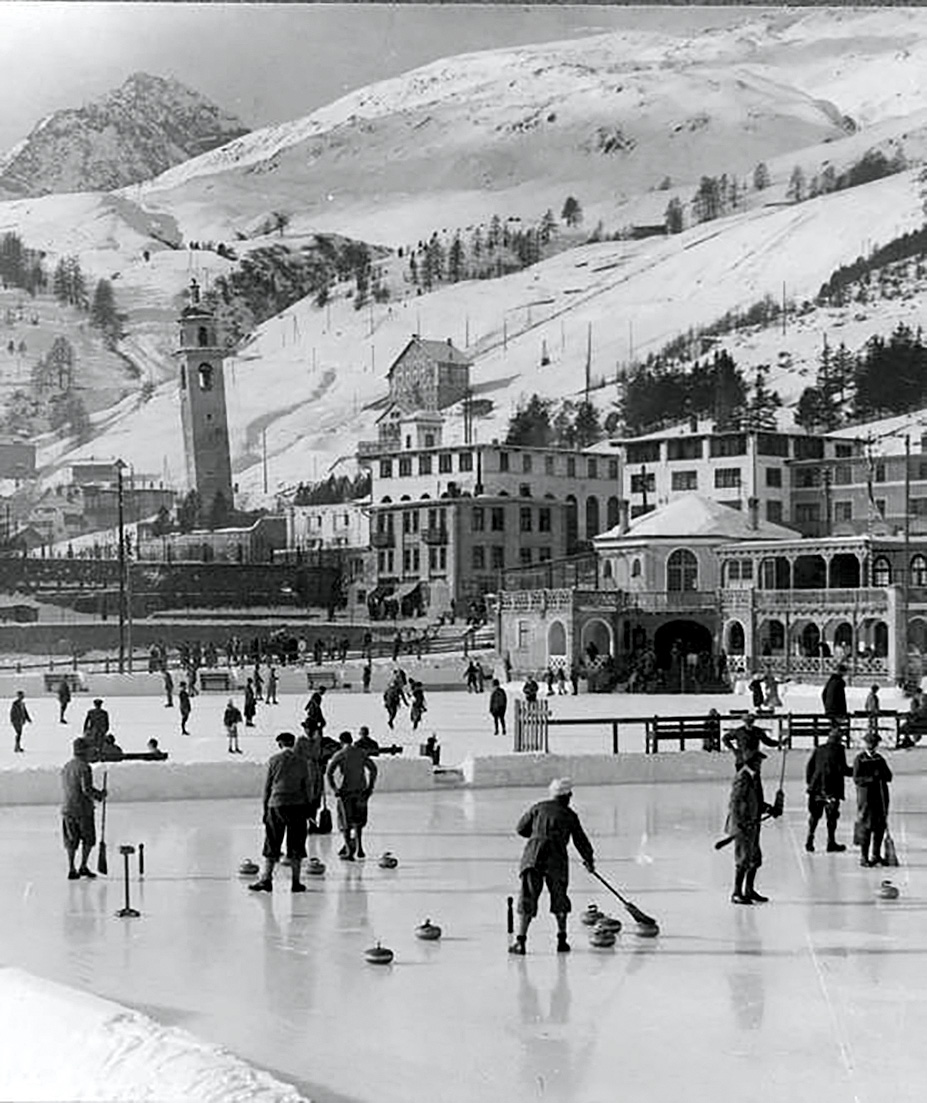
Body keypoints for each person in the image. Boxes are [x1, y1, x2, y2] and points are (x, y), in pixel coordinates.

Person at [509, 778, 595, 955]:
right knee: (559, 897)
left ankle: (520, 942)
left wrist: (537, 835)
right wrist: (589, 860)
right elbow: (580, 840)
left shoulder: (537, 808)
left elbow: (520, 829)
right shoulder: (570, 815)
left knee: (528, 898)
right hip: (556, 860)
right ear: (568, 796)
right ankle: (562, 941)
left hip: (533, 857)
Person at [249, 732, 313, 893]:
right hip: (297, 805)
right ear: (293, 743)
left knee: (272, 842)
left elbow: (268, 787)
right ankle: (296, 882)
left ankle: (267, 879)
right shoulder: (303, 761)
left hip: (276, 804)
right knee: (296, 844)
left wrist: (265, 809)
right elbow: (307, 786)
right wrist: (309, 808)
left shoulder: (274, 760)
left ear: (280, 744)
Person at [726, 747, 780, 904]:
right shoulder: (742, 777)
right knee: (743, 858)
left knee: (754, 858)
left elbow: (755, 801)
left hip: (753, 825)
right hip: (743, 825)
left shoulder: (754, 777)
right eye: (758, 761)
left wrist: (770, 809)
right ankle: (737, 893)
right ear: (750, 762)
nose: (760, 764)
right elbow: (735, 803)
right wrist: (739, 824)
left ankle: (749, 890)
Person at [325, 731, 378, 861]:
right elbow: (373, 769)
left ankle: (349, 851)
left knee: (345, 823)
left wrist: (334, 788)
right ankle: (359, 849)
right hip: (361, 791)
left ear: (341, 742)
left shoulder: (340, 754)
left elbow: (329, 773)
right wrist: (370, 786)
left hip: (345, 792)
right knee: (358, 822)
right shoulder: (361, 753)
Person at [61, 737, 106, 880]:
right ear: (84, 751)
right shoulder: (84, 767)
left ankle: (71, 868)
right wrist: (100, 795)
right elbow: (86, 789)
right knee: (88, 839)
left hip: (67, 808)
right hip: (83, 810)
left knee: (71, 841)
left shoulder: (67, 766)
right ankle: (83, 866)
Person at [805, 719, 852, 853]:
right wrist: (857, 771)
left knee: (815, 815)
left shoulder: (819, 749)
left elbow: (809, 767)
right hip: (831, 789)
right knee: (831, 816)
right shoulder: (839, 749)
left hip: (816, 789)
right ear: (839, 739)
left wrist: (811, 784)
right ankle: (831, 842)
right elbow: (841, 769)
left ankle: (809, 840)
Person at [853, 730, 893, 867]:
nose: (871, 745)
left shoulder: (879, 759)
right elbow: (857, 778)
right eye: (869, 743)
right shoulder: (860, 759)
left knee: (880, 827)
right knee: (866, 827)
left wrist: (882, 774)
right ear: (866, 744)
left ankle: (876, 854)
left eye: (874, 743)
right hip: (866, 798)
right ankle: (864, 857)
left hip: (880, 798)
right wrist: (871, 778)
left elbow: (889, 776)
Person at [10, 689, 30, 754]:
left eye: (23, 695)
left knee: (19, 734)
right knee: (18, 733)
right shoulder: (15, 703)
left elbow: (25, 711)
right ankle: (16, 747)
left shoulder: (22, 703)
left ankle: (18, 746)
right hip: (16, 721)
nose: (22, 697)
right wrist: (13, 720)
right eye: (21, 695)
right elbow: (12, 712)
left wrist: (28, 718)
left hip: (20, 721)